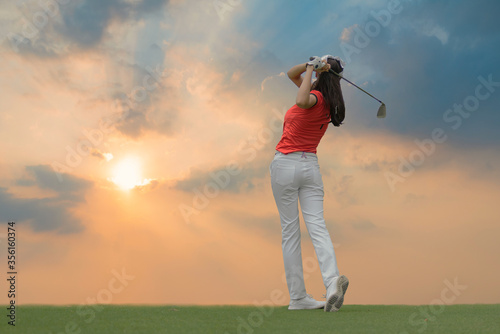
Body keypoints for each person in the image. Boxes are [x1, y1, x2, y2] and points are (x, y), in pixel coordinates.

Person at [269, 56, 349, 312]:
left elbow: (301, 100)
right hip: (310, 167)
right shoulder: (329, 100)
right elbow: (291, 75)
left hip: (286, 165)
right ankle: (332, 281)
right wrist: (310, 64)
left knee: (290, 234)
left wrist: (314, 67)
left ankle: (298, 297)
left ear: (323, 74)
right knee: (318, 227)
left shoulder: (314, 98)